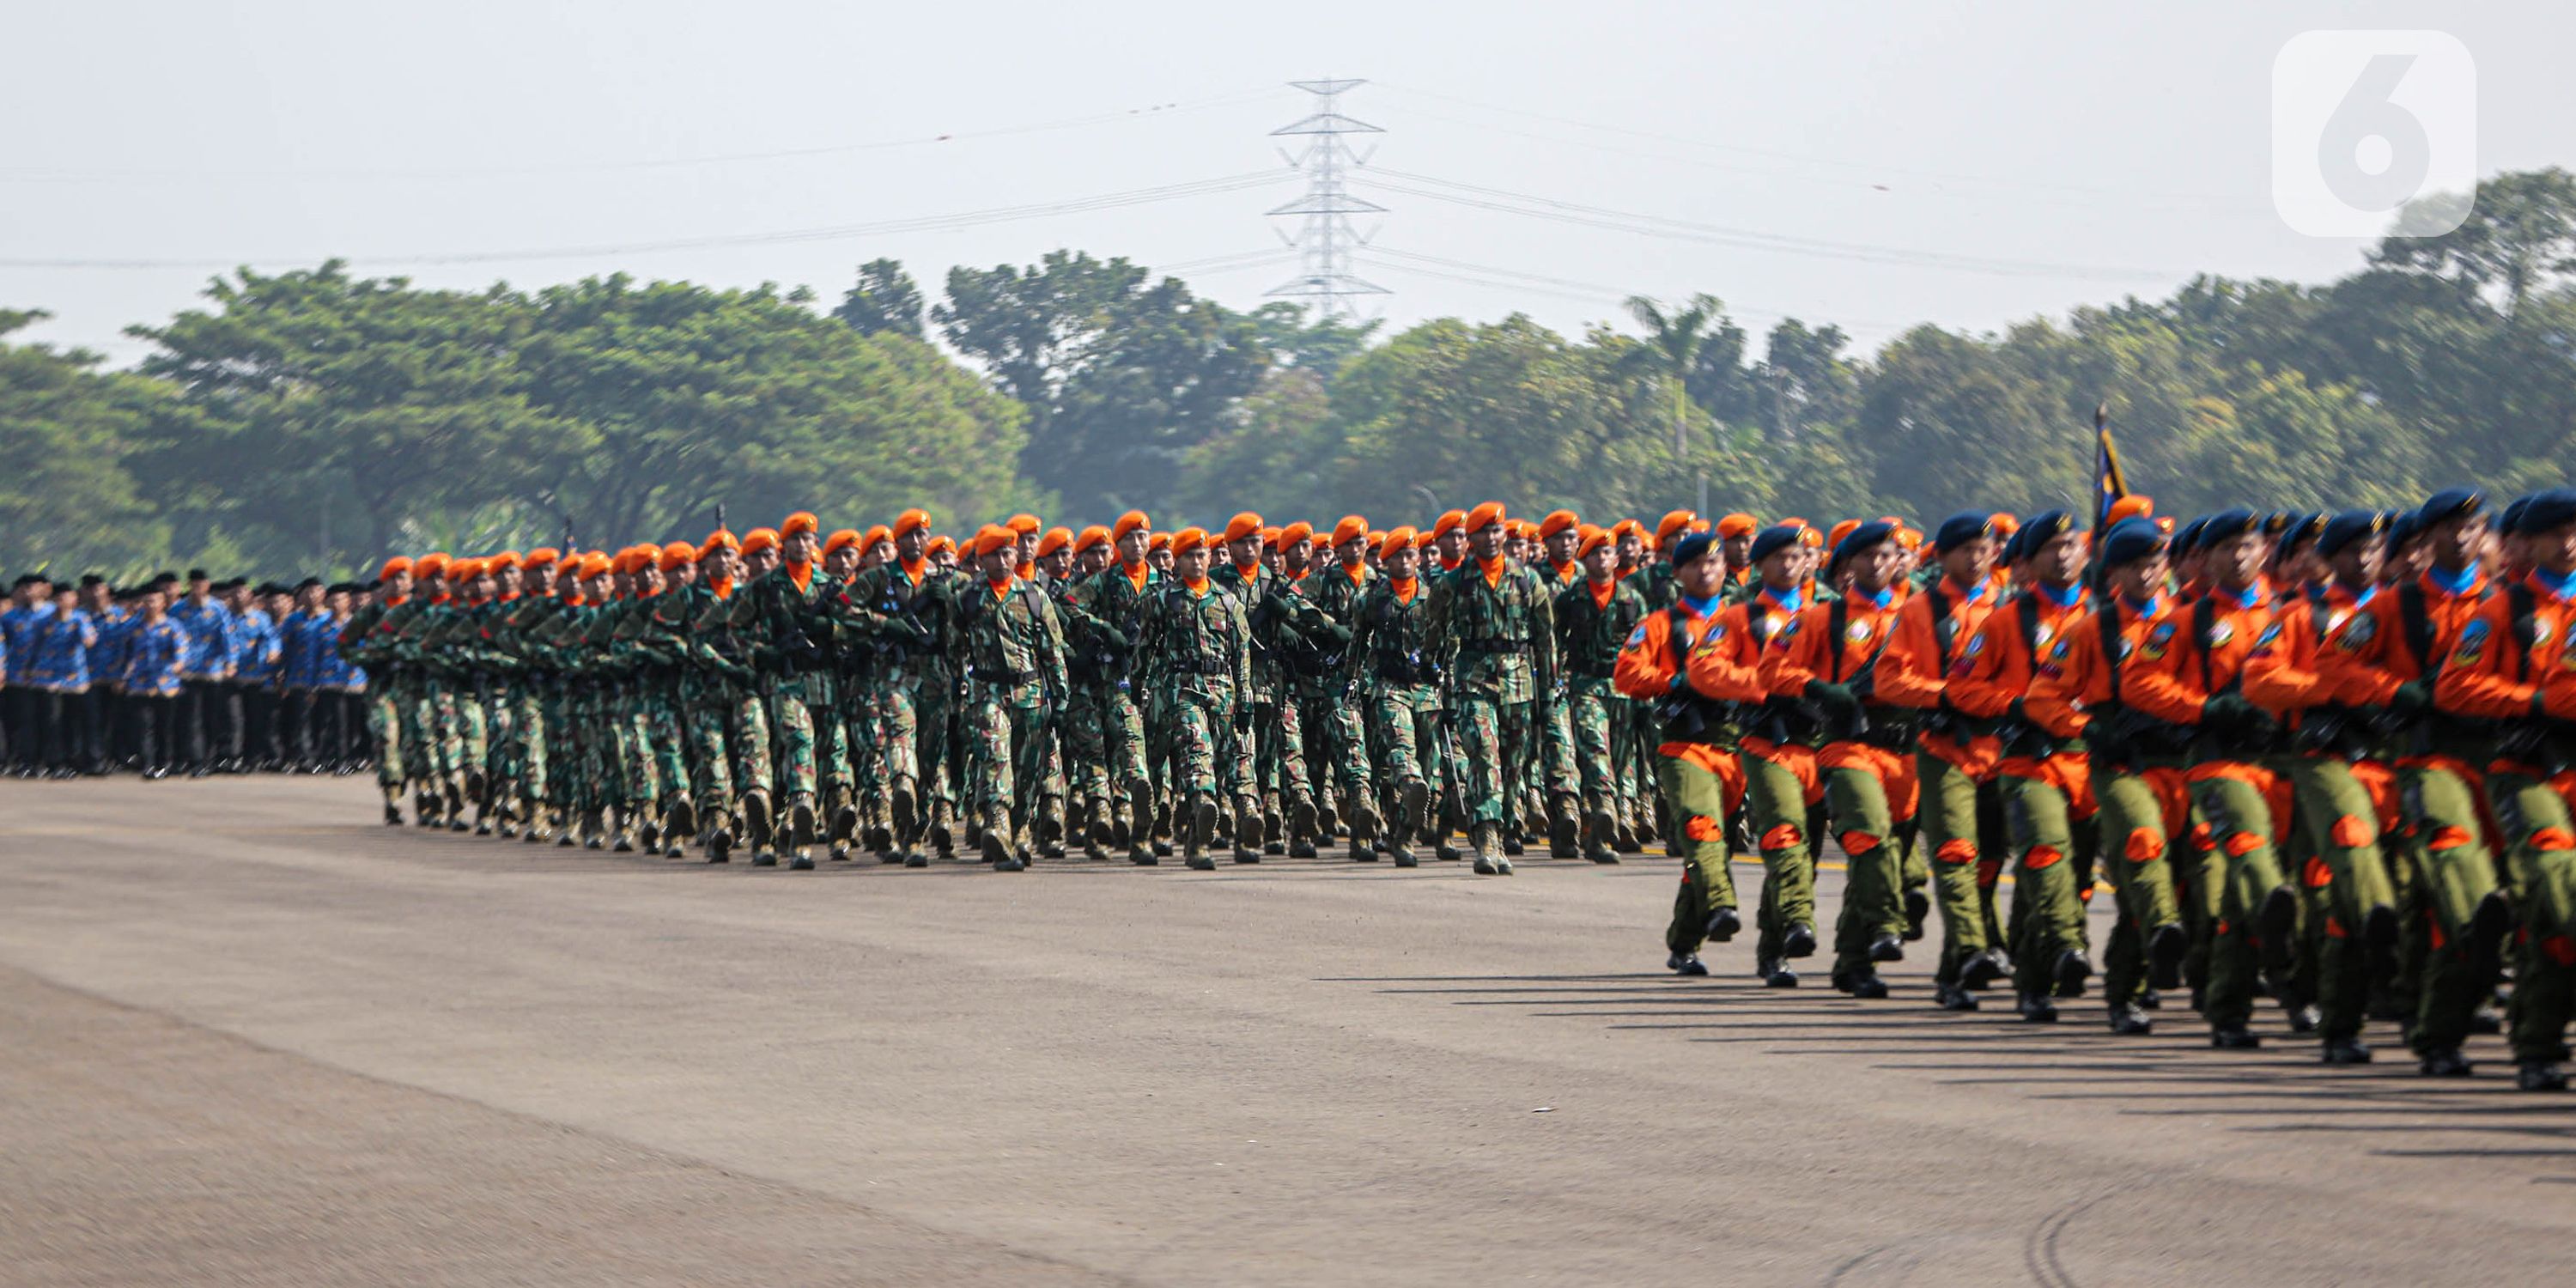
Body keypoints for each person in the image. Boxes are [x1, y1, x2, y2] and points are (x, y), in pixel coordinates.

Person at [2439, 488, 2576, 1091]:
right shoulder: (2501, 611)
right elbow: (2456, 687)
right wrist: (2533, 701)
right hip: (2527, 772)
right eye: (2557, 533)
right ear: (2530, 543)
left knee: (2547, 913)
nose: (2569, 544)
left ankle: (2538, 1042)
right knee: (2558, 886)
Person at [1948, 511, 2099, 1022]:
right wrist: (2013, 704)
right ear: (2030, 563)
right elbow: (1964, 685)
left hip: (2093, 761)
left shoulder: (2105, 615)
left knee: (2075, 873)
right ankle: (2062, 949)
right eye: (2052, 548)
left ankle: (2035, 975)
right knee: (2042, 858)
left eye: (2071, 545)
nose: (2064, 555)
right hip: (2030, 761)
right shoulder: (2005, 622)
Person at [1760, 521, 1916, 998]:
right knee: (1864, 841)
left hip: (1906, 753)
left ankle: (1853, 961)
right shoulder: (1820, 619)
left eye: (1886, 555)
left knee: (1884, 855)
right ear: (1846, 566)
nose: (1877, 564)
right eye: (1865, 557)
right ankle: (1877, 925)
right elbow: (1772, 669)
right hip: (1845, 745)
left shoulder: (1919, 617)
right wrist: (1815, 687)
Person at [1873, 512, 2008, 1011]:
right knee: (1954, 853)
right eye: (1965, 549)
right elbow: (1889, 680)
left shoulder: (2014, 611)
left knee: (1992, 859)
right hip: (1942, 746)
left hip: (2003, 749)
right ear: (1945, 557)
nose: (1976, 557)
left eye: (1984, 548)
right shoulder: (1919, 611)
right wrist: (1946, 696)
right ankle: (1973, 947)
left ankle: (1958, 967)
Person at [1616, 529, 1745, 975]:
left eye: (1713, 563)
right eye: (1695, 564)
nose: (1706, 570)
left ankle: (1684, 941)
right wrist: (1673, 682)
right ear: (1679, 573)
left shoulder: (1744, 622)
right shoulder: (1660, 625)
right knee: (1700, 826)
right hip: (1685, 744)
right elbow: (1628, 673)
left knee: (1710, 845)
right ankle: (1721, 906)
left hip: (1740, 746)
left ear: (1725, 569)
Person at [1424, 502, 1558, 874]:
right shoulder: (1452, 583)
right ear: (1471, 538)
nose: (1493, 537)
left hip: (1519, 680)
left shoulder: (1528, 580)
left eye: (1498, 531)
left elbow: (1546, 642)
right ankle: (1487, 838)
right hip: (1473, 678)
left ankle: (1506, 823)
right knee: (1485, 755)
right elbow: (1432, 631)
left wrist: (1547, 694)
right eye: (1484, 531)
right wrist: (1430, 667)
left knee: (1515, 763)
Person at [1139, 526, 1255, 869]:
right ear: (1177, 560)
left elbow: (1241, 653)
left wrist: (1245, 697)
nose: (1198, 561)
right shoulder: (1163, 600)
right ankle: (1204, 811)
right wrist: (1138, 688)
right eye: (1190, 555)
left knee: (1223, 760)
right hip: (1182, 689)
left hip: (1223, 691)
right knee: (1196, 751)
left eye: (1203, 555)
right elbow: (1145, 649)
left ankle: (1195, 838)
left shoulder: (1227, 601)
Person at [1559, 525, 1649, 864]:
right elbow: (1555, 639)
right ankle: (1604, 808)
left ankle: (1598, 838)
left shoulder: (1631, 599)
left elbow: (1644, 646)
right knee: (1595, 750)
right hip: (1585, 686)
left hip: (1623, 689)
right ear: (1585, 560)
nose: (1603, 558)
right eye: (1596, 553)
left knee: (1619, 759)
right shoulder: (1571, 598)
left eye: (1608, 552)